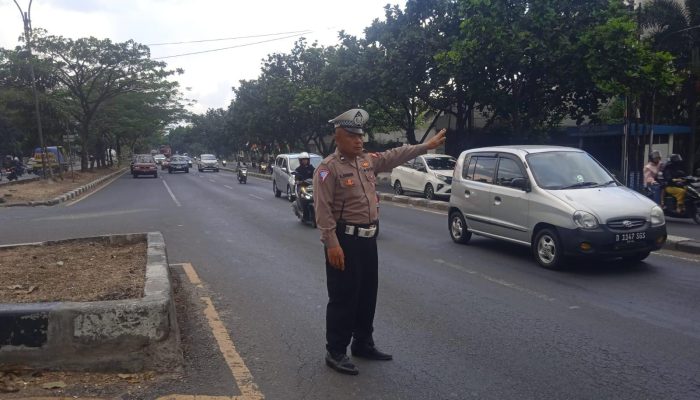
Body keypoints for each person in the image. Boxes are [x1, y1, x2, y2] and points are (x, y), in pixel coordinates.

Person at [313, 108, 446, 375]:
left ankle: (362, 343)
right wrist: (332, 244)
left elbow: (395, 154)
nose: (359, 140)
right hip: (344, 241)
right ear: (338, 137)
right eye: (352, 135)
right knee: (343, 297)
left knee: (366, 295)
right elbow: (322, 210)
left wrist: (425, 146)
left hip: (368, 241)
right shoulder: (328, 169)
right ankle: (336, 350)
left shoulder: (367, 161)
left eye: (361, 135)